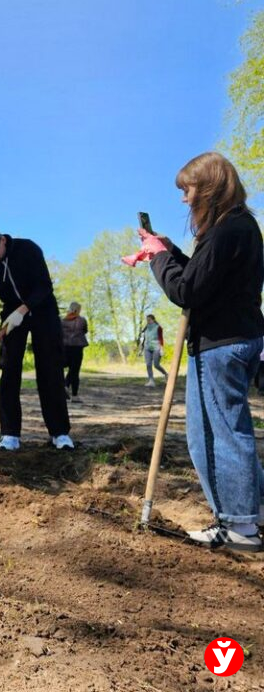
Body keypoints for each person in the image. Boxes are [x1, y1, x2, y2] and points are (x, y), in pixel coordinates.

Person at [134, 151, 264, 552]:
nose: (183, 199)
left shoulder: (225, 231)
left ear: (209, 187)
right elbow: (203, 276)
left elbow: (186, 290)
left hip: (220, 346)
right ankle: (249, 516)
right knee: (229, 430)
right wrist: (169, 250)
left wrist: (156, 257)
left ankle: (239, 526)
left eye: (187, 189)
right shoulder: (240, 226)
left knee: (214, 434)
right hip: (238, 337)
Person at [0, 224, 74, 451]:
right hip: (11, 312)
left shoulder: (28, 249)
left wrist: (24, 309)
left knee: (50, 369)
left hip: (42, 309)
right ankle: (10, 434)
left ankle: (59, 433)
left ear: (2, 241)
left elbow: (44, 286)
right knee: (9, 369)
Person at [61, 302, 89, 403]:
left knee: (69, 369)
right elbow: (85, 330)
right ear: (78, 310)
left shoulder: (62, 321)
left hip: (64, 347)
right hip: (77, 347)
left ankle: (65, 387)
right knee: (75, 371)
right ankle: (74, 395)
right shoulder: (82, 320)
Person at [138, 314, 168, 386]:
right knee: (148, 364)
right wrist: (141, 349)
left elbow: (161, 338)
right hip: (147, 348)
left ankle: (166, 374)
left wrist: (161, 349)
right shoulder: (145, 328)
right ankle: (151, 381)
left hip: (156, 347)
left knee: (156, 365)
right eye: (147, 320)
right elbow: (143, 339)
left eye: (149, 320)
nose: (148, 321)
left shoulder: (158, 327)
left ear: (153, 320)